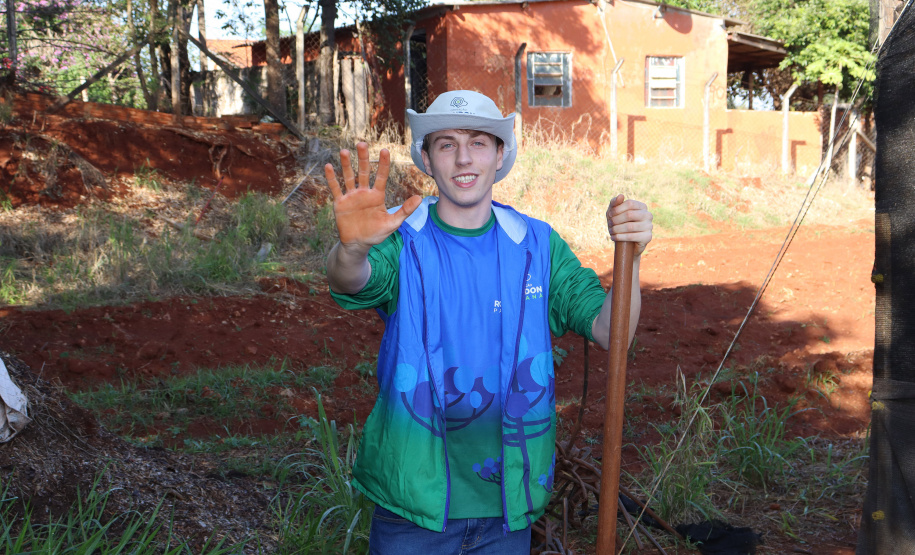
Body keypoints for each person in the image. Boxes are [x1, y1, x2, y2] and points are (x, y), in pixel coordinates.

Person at [325, 90, 653, 554]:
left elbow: (609, 331)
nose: (464, 158)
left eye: (478, 142)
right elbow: (352, 280)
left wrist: (631, 259)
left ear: (500, 155)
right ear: (427, 158)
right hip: (410, 506)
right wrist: (353, 250)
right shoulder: (404, 240)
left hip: (507, 505)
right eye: (447, 144)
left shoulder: (537, 245)